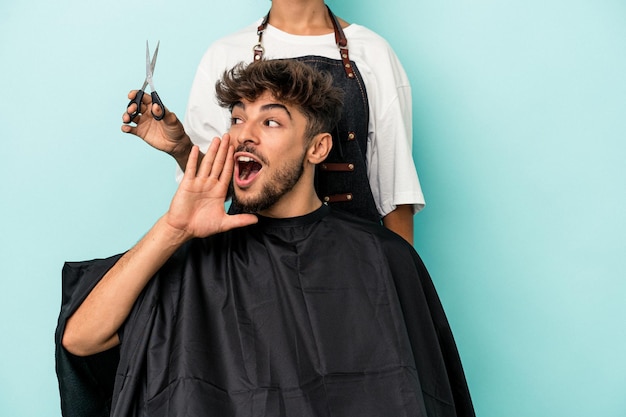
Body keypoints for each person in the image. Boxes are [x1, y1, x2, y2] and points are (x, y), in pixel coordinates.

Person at [57, 60, 473, 416]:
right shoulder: (191, 255)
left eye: (270, 121)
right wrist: (174, 229)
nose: (244, 134)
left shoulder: (384, 259)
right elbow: (82, 339)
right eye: (237, 118)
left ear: (318, 148)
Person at [122, 0, 424, 244]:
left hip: (355, 265)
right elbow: (218, 185)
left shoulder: (374, 52)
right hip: (248, 264)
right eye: (240, 117)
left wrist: (403, 290)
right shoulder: (224, 54)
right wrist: (181, 148)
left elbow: (396, 195)